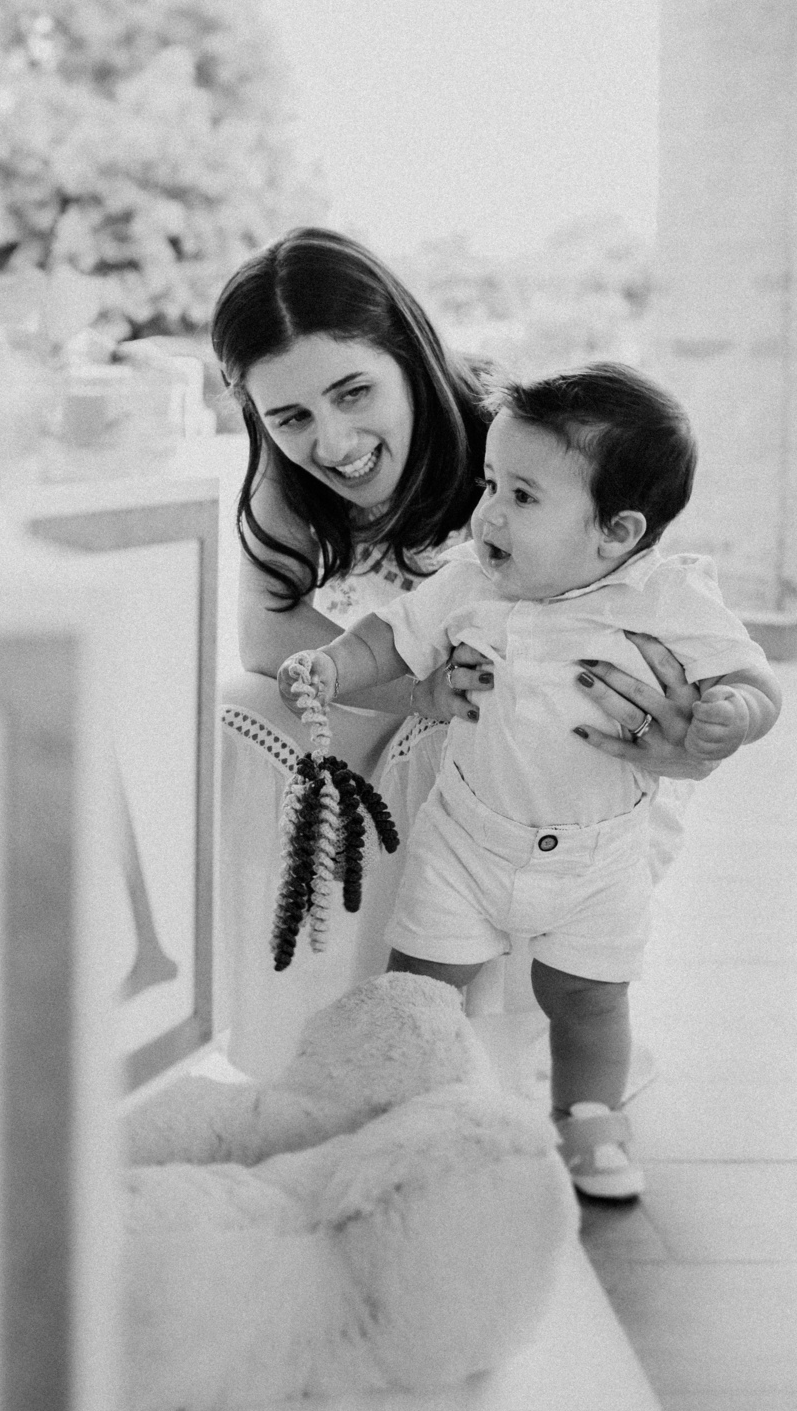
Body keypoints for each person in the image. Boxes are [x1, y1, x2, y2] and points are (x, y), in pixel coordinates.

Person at [213, 227, 736, 1083]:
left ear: (408, 354)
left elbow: (641, 608)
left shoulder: (513, 443)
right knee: (240, 712)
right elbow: (266, 638)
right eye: (292, 417)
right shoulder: (286, 476)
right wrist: (416, 688)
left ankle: (490, 1043)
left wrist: (688, 735)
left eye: (354, 392)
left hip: (543, 756)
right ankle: (314, 1028)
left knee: (475, 717)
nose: (332, 443)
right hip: (407, 705)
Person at [278, 361, 782, 1199]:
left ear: (616, 532)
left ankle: (590, 1120)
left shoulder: (666, 595)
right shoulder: (471, 580)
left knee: (589, 999)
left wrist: (737, 710)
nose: (488, 514)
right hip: (467, 841)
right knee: (421, 986)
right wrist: (332, 666)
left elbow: (751, 674)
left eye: (521, 495)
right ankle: (406, 1107)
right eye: (489, 484)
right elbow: (389, 635)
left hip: (599, 859)